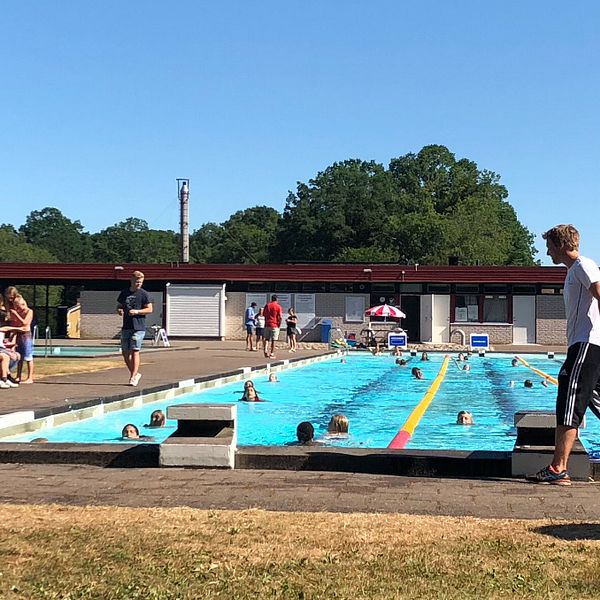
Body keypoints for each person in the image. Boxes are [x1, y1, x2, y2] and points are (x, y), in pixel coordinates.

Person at [527, 225, 600, 486]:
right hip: (587, 347)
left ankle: (559, 468)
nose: (547, 252)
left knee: (569, 402)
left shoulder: (582, 265)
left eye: (549, 247)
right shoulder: (572, 272)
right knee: (595, 401)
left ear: (559, 245)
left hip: (586, 346)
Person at [117, 271, 153, 387]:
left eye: (141, 282)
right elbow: (119, 306)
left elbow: (149, 309)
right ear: (131, 280)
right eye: (137, 281)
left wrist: (137, 311)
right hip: (126, 326)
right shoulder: (124, 293)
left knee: (135, 350)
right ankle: (135, 373)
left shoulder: (144, 294)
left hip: (138, 327)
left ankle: (133, 377)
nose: (139, 284)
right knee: (125, 352)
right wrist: (119, 310)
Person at [263, 295, 282, 359]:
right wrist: (279, 324)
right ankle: (272, 353)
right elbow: (280, 317)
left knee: (267, 339)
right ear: (277, 299)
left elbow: (264, 314)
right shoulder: (278, 306)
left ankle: (265, 350)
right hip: (274, 324)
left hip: (267, 324)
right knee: (274, 340)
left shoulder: (267, 305)